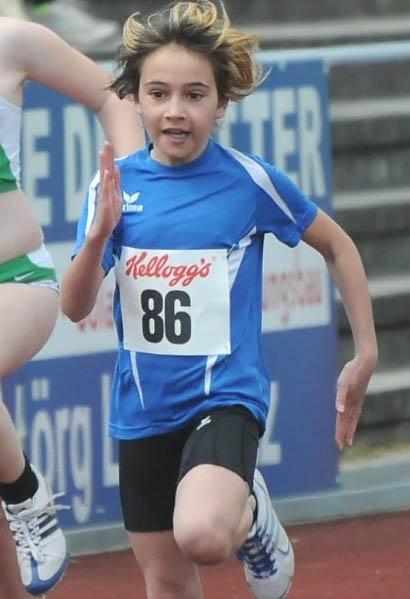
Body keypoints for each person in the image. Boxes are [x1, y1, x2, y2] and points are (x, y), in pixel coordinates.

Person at [61, 2, 378, 598]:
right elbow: (74, 308)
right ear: (136, 100)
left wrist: (365, 353)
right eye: (158, 94)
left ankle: (249, 513)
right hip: (142, 410)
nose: (175, 111)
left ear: (221, 104)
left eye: (195, 95)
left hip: (225, 398)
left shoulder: (249, 182)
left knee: (202, 535)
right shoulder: (113, 189)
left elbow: (337, 246)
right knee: (166, 581)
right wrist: (99, 235)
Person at [0, 16, 144, 598]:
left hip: (15, 279)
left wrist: (136, 187)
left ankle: (25, 495)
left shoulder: (11, 40)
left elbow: (115, 98)